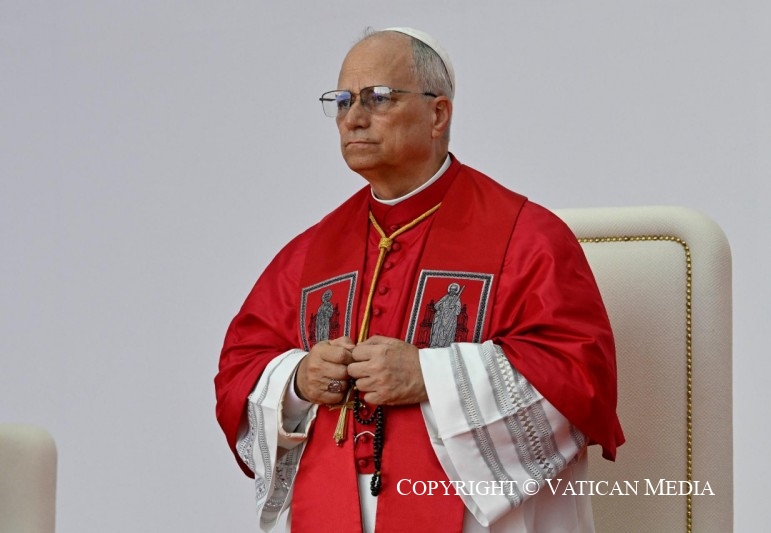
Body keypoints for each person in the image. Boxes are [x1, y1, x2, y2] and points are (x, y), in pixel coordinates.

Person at [215, 27, 624, 533]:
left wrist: (428, 376)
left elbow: (578, 376)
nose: (354, 118)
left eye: (378, 98)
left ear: (438, 114)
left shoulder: (527, 237)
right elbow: (241, 366)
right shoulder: (310, 252)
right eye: (342, 102)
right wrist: (298, 382)